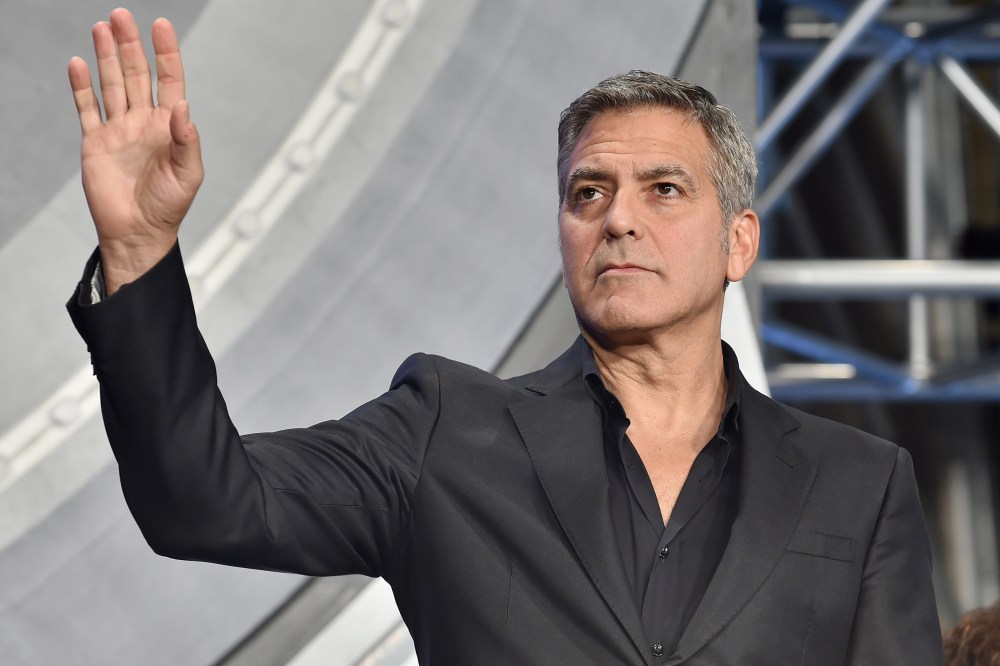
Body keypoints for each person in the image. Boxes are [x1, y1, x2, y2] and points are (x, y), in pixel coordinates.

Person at [66, 8, 943, 665]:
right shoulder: (445, 432)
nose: (619, 220)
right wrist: (141, 253)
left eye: (665, 190)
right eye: (587, 193)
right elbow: (202, 502)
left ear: (738, 241)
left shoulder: (859, 486)